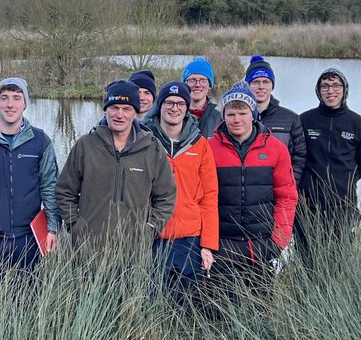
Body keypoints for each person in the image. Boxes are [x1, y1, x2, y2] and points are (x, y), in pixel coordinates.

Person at [55, 80, 176, 249]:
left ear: (135, 112)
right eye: (114, 107)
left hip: (134, 251)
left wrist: (149, 229)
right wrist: (75, 226)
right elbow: (65, 190)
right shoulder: (85, 145)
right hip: (87, 249)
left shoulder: (152, 149)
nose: (120, 114)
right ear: (105, 110)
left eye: (127, 109)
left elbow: (167, 196)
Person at [208, 81, 298, 300]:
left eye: (242, 113)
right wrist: (208, 243)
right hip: (223, 245)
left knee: (259, 311)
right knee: (220, 310)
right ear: (224, 116)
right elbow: (203, 198)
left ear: (253, 114)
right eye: (230, 114)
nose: (236, 120)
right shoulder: (208, 148)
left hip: (262, 244)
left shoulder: (276, 149)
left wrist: (278, 241)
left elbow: (286, 196)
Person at [0, 77, 61, 269]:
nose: (10, 104)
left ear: (25, 103)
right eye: (4, 98)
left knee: (30, 296)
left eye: (17, 97)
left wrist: (52, 228)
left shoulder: (41, 141)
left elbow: (50, 188)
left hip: (29, 240)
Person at [143, 81, 219, 294]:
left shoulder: (200, 144)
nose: (174, 108)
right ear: (160, 105)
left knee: (187, 304)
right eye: (169, 102)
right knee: (152, 301)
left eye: (180, 104)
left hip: (190, 238)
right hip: (153, 237)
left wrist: (208, 245)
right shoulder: (144, 140)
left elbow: (210, 196)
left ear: (187, 108)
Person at [297, 67, 361, 253]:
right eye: (325, 86)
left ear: (344, 89)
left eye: (336, 85)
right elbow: (297, 157)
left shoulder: (359, 124)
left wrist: (343, 181)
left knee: (339, 256)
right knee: (305, 255)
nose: (330, 91)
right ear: (318, 90)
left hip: (342, 204)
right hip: (308, 204)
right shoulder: (304, 120)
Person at [245, 55, 306, 185]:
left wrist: (290, 183)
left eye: (266, 81)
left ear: (272, 85)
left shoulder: (291, 119)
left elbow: (299, 157)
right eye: (256, 82)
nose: (261, 86)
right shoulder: (238, 117)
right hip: (248, 193)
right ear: (248, 85)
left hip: (281, 189)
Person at [182, 57, 221, 138]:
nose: (197, 85)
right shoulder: (175, 113)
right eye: (192, 80)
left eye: (203, 80)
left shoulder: (220, 118)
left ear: (209, 85)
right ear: (184, 84)